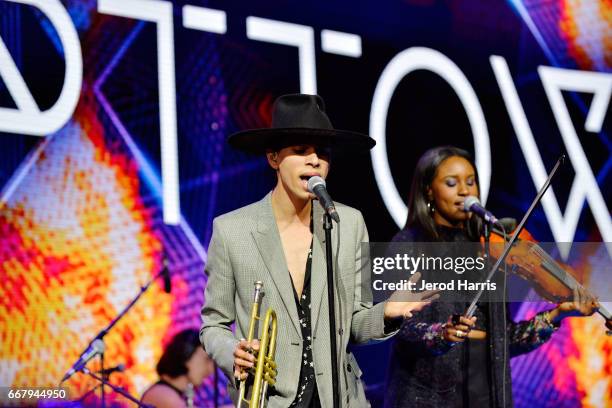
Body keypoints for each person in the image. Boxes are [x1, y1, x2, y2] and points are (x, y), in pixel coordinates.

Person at [200, 94, 434, 407]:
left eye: (322, 153)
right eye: (300, 151)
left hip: (339, 398)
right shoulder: (232, 230)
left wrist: (387, 313)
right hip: (268, 399)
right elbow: (212, 324)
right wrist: (233, 352)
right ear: (273, 158)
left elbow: (355, 324)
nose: (314, 161)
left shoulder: (347, 223)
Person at [384, 146, 599, 408]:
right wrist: (441, 333)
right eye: (452, 183)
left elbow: (504, 341)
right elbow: (398, 327)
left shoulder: (489, 247)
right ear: (428, 190)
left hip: (487, 389)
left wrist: (557, 316)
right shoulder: (409, 244)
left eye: (471, 182)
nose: (465, 191)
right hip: (428, 393)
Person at [141, 328, 215, 408]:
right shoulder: (161, 394)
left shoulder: (177, 395)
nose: (211, 369)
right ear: (186, 354)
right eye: (207, 359)